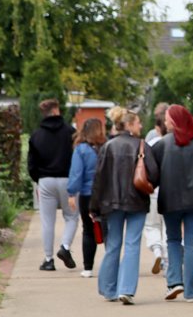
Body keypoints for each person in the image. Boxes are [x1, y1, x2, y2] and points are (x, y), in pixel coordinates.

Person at [90, 110, 158, 305]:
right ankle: (126, 289)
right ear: (128, 125)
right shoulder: (142, 146)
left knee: (113, 244)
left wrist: (94, 207)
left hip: (112, 203)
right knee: (132, 244)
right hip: (137, 201)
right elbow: (153, 174)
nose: (140, 126)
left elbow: (99, 179)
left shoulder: (107, 147)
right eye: (137, 123)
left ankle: (108, 289)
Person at [152, 105, 193, 303]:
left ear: (175, 121)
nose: (165, 122)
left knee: (173, 240)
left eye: (168, 119)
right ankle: (192, 292)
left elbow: (152, 173)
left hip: (170, 200)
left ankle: (175, 282)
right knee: (192, 244)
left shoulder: (162, 144)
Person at [27, 98, 79, 271]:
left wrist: (38, 181)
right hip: (67, 179)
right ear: (56, 111)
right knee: (71, 216)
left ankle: (48, 259)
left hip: (45, 181)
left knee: (47, 221)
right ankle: (65, 247)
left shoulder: (36, 136)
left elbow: (31, 164)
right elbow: (77, 158)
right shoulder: (71, 133)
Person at [67, 118, 107, 278]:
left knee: (88, 230)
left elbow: (76, 173)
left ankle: (88, 268)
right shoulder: (107, 147)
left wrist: (71, 193)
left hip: (87, 194)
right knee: (108, 230)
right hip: (105, 194)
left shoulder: (81, 149)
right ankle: (111, 265)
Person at [142, 102, 170, 275]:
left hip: (153, 191)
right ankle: (167, 261)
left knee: (151, 225)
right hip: (170, 192)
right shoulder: (176, 143)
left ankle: (157, 250)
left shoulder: (150, 143)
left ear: (157, 128)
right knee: (168, 227)